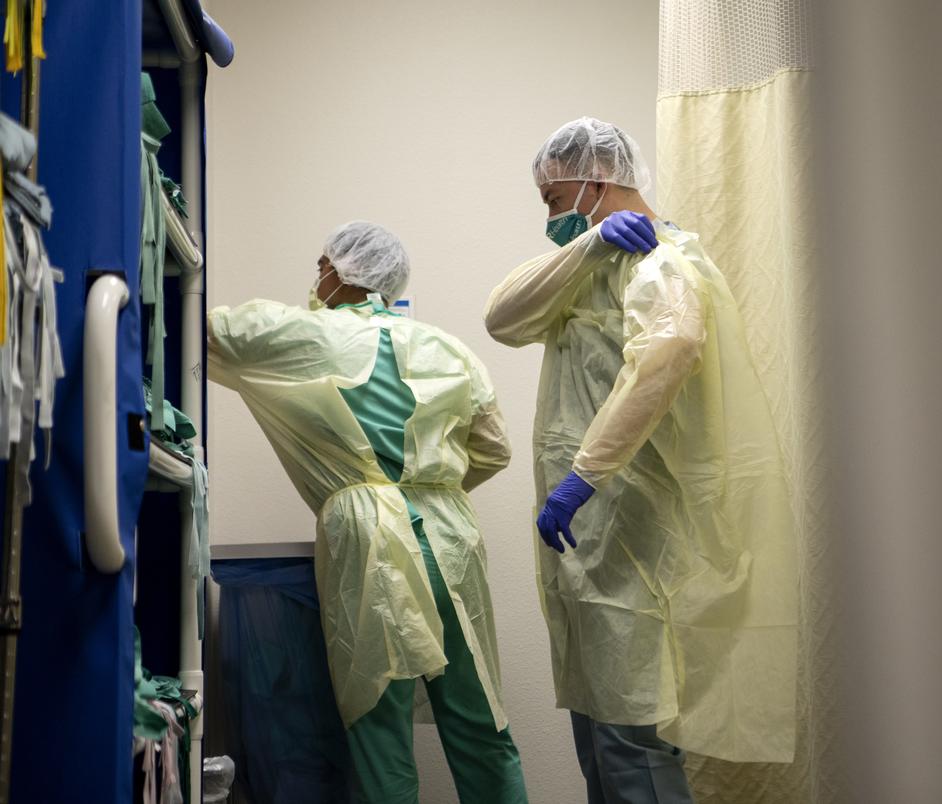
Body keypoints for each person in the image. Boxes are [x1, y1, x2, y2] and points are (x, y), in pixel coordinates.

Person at [484, 118, 799, 804]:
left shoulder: (664, 262)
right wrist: (591, 242)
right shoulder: (591, 266)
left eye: (553, 198)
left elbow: (669, 354)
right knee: (600, 736)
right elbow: (502, 319)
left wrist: (582, 477)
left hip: (632, 530)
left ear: (594, 182)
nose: (548, 216)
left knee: (632, 740)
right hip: (593, 537)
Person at [208, 221, 528, 804]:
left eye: (321, 266)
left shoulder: (306, 335)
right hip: (448, 532)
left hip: (368, 533)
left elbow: (205, 332)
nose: (317, 278)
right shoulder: (447, 348)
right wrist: (430, 486)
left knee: (379, 720)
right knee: (480, 718)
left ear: (337, 270)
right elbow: (495, 450)